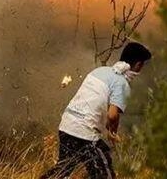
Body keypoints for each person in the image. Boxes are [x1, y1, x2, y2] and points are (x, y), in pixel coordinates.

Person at [40, 42, 151, 179]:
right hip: (85, 134)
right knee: (104, 173)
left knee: (63, 170)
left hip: (67, 125)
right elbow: (112, 115)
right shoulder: (122, 84)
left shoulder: (100, 71)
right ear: (138, 65)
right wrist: (112, 132)